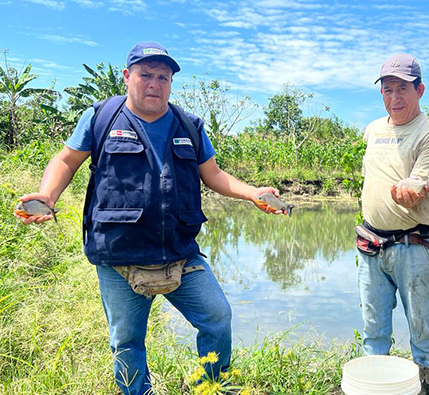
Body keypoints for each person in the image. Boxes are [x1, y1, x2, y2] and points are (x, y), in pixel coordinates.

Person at [15, 41, 283, 395]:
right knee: (127, 341)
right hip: (119, 256)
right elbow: (66, 160)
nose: (154, 84)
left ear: (171, 82)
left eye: (163, 77)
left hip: (181, 252)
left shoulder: (189, 124)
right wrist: (47, 195)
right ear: (127, 77)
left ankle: (209, 386)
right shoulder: (101, 117)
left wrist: (251, 192)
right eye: (145, 75)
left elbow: (214, 174)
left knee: (217, 317)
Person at [356, 54, 429, 395]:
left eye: (402, 89)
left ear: (420, 89)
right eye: (387, 89)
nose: (394, 98)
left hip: (414, 247)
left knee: (424, 330)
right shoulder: (373, 129)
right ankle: (375, 387)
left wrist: (411, 191)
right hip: (371, 245)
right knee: (373, 328)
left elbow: (418, 182)